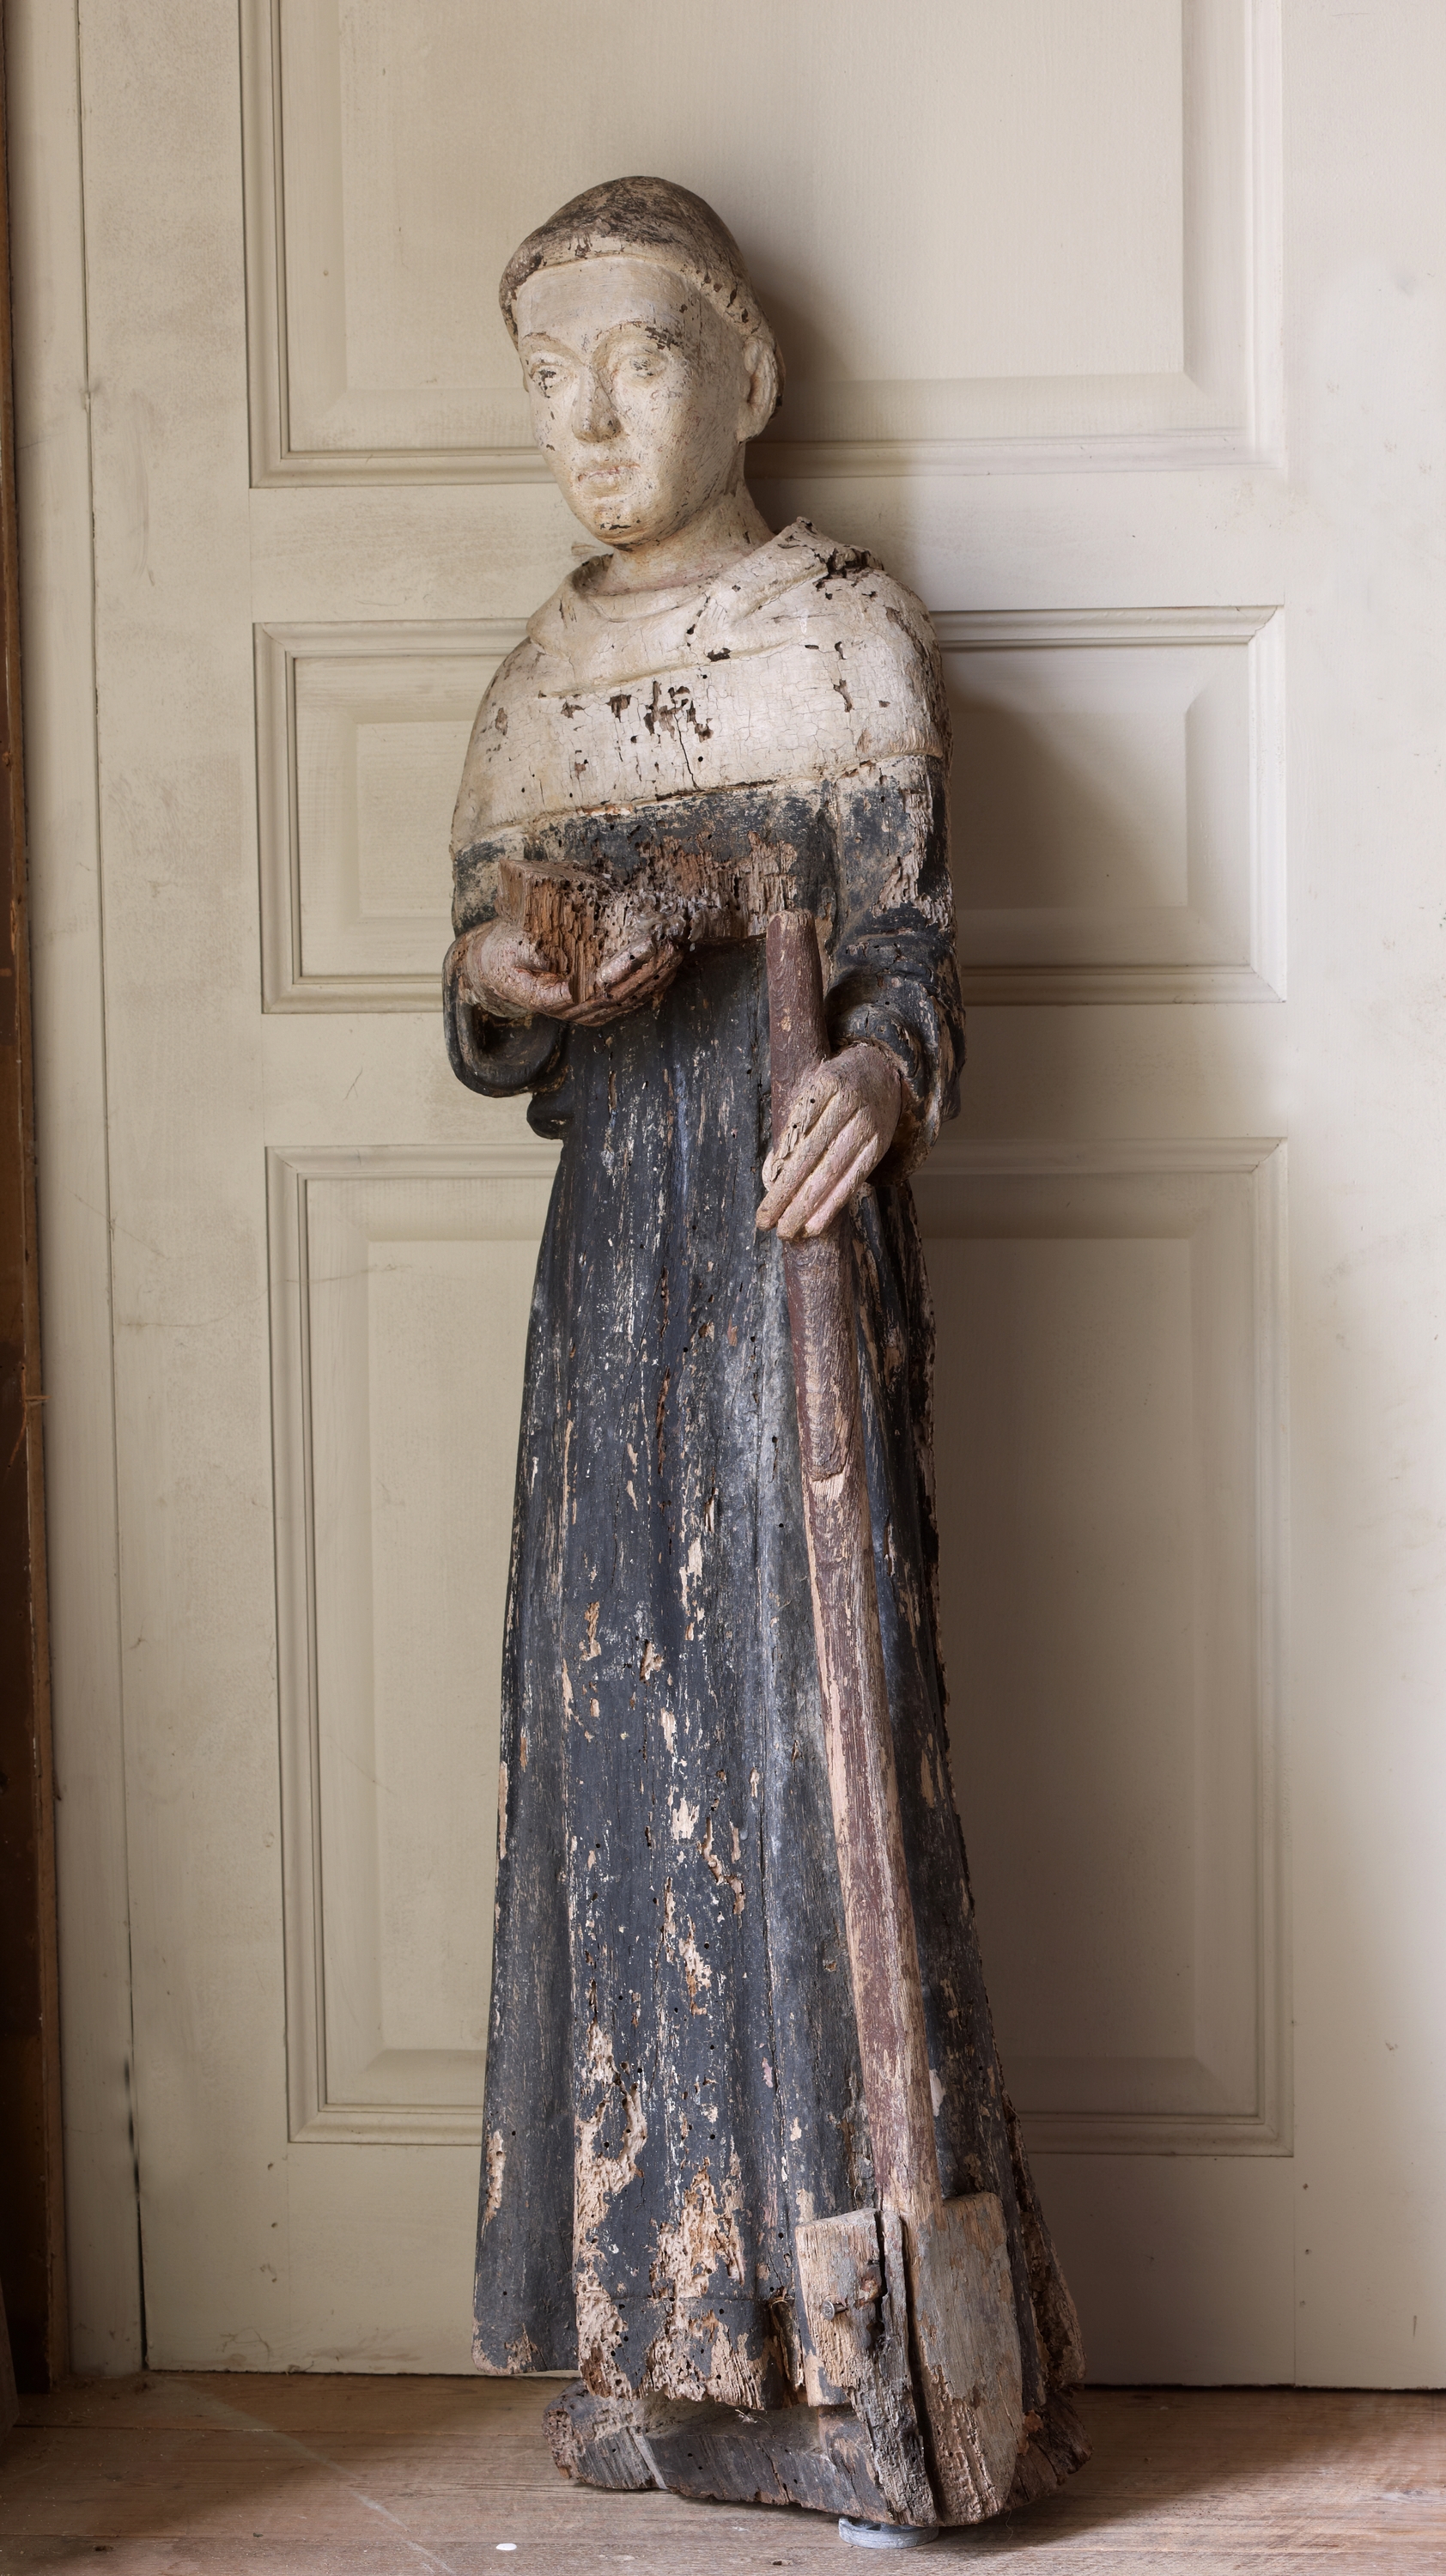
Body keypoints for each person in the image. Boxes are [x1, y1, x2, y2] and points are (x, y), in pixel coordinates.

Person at [444, 175, 1084, 2517]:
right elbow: (486, 1000)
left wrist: (878, 1076)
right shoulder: (536, 680)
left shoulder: (842, 637)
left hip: (789, 1265)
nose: (592, 416)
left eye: (638, 358)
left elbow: (908, 956)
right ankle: (665, 2329)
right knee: (624, 1765)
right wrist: (511, 977)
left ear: (748, 376)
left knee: (817, 1758)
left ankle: (869, 2357)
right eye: (550, 377)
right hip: (612, 1281)